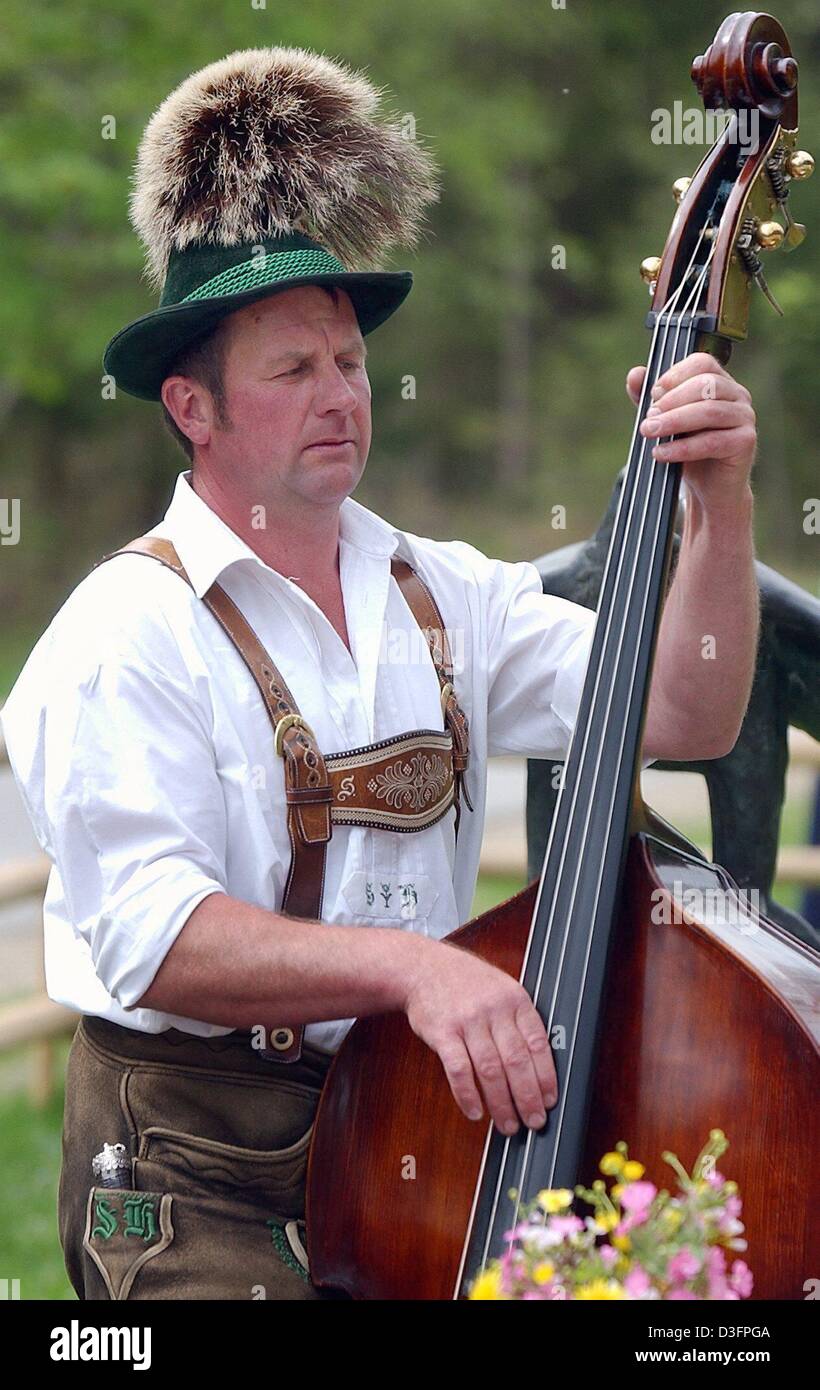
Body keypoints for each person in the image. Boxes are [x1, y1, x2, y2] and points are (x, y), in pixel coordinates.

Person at [1, 47, 760, 1301]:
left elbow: (686, 707)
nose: (339, 394)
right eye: (291, 371)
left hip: (415, 1136)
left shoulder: (443, 591)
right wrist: (417, 968)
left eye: (347, 362)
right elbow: (152, 939)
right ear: (192, 409)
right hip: (197, 1170)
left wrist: (719, 505)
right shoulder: (120, 633)